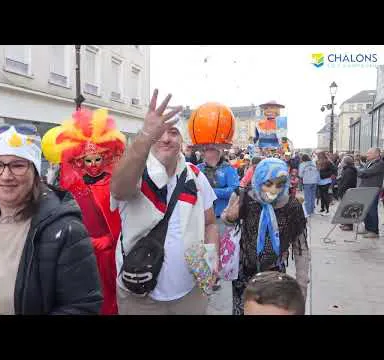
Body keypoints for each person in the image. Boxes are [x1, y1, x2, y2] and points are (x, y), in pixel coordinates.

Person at [0, 124, 103, 314]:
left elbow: (83, 307)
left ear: (35, 173)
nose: (6, 176)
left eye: (18, 165)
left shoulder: (64, 231)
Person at [111, 89, 219, 315]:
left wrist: (211, 257)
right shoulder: (136, 172)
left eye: (173, 132)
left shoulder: (196, 177)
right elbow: (119, 190)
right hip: (139, 296)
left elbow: (210, 223)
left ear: (181, 141)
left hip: (191, 294)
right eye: (159, 132)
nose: (166, 138)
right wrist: (145, 134)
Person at [42, 108, 126, 315]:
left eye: (97, 159)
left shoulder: (113, 185)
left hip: (107, 252)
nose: (94, 165)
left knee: (108, 294)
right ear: (80, 161)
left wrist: (109, 239)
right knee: (80, 293)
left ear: (105, 158)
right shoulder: (73, 186)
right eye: (88, 160)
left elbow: (122, 217)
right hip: (79, 248)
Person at [222, 158, 309, 315]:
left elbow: (301, 247)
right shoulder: (244, 197)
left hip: (274, 276)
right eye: (268, 184)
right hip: (245, 273)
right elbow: (227, 220)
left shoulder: (292, 206)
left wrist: (301, 287)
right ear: (259, 179)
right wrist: (229, 217)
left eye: (280, 185)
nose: (273, 190)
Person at [198, 145, 239, 227]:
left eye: (213, 150)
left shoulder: (228, 168)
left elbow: (235, 190)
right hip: (201, 215)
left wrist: (211, 191)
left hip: (221, 216)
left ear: (219, 153)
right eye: (207, 150)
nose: (210, 154)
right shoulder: (198, 168)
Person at [357, 148, 384, 238]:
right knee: (366, 210)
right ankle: (368, 228)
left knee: (372, 210)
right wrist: (360, 171)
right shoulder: (369, 162)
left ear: (377, 154)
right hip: (365, 189)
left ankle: (374, 231)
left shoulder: (380, 164)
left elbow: (366, 173)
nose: (367, 155)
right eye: (367, 153)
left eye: (369, 153)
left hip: (373, 190)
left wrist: (358, 171)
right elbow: (362, 172)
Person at [337, 156, 357, 231]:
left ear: (345, 162)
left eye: (342, 161)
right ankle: (345, 223)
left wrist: (340, 189)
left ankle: (349, 225)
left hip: (347, 191)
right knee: (345, 208)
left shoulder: (349, 170)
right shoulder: (347, 169)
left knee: (348, 208)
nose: (341, 162)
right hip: (346, 191)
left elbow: (346, 182)